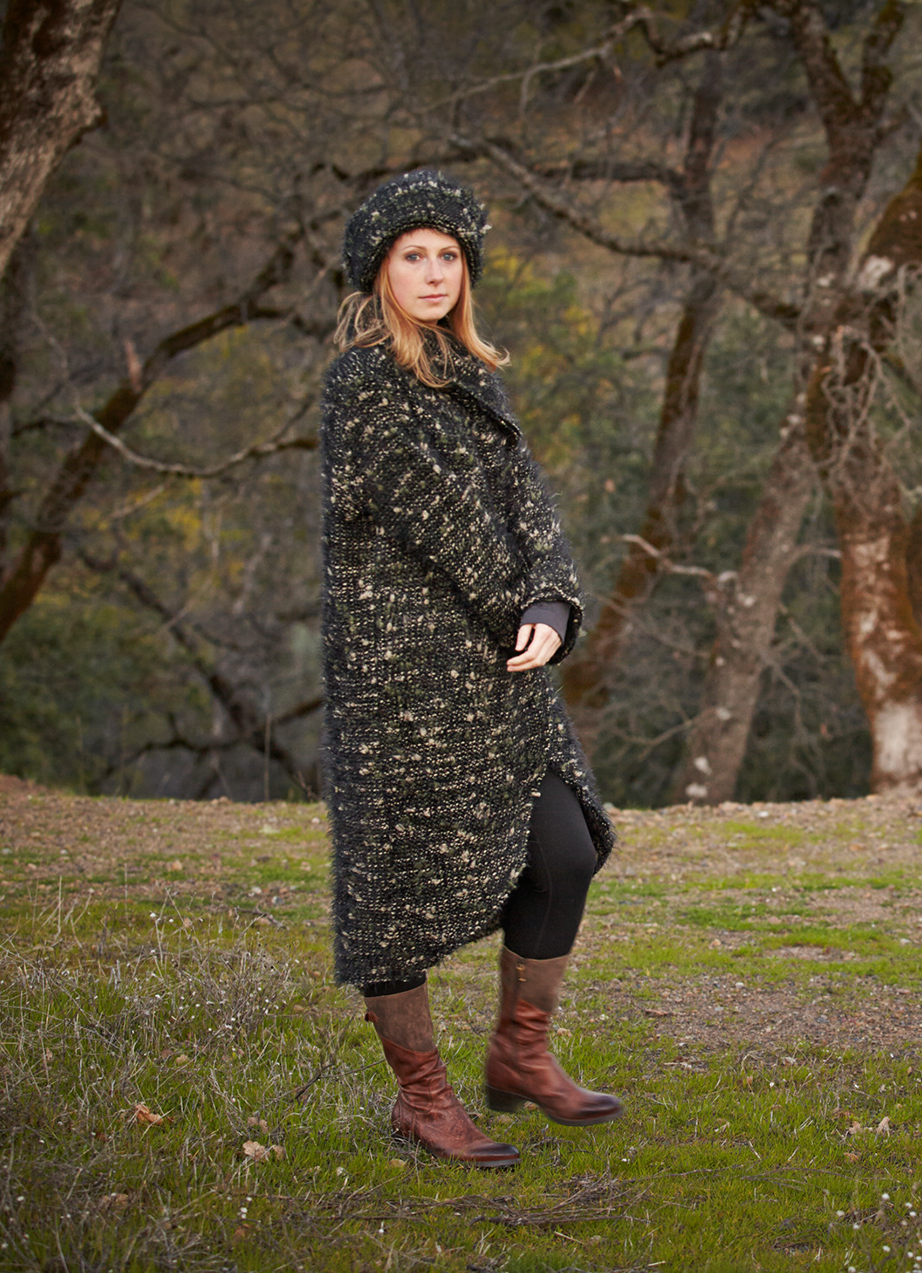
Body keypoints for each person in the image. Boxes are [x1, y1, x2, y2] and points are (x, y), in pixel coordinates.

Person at [321, 169, 621, 1169]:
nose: (434, 271)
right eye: (413, 255)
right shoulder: (363, 385)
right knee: (395, 892)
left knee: (566, 851)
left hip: (497, 673)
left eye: (449, 255)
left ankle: (520, 1054)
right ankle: (423, 1099)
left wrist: (553, 600)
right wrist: (518, 600)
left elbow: (528, 503)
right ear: (379, 270)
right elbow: (444, 518)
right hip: (402, 682)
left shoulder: (475, 377)